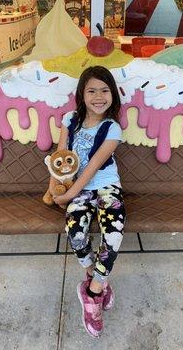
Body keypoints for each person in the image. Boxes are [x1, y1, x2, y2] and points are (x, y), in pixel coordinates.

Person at [51, 66, 126, 338]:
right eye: (91, 90)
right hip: (74, 188)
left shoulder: (112, 128)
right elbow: (59, 158)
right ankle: (95, 275)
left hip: (105, 186)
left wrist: (70, 194)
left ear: (112, 95)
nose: (98, 96)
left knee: (114, 232)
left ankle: (94, 292)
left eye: (104, 90)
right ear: (81, 94)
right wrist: (56, 191)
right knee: (75, 230)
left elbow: (94, 165)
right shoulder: (70, 120)